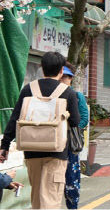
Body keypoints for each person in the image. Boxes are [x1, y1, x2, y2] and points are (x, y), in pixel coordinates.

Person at [0, 52, 80, 209]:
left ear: (42, 69)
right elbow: (76, 121)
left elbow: (14, 118)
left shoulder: (28, 89)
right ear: (61, 71)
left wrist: (5, 145)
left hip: (32, 152)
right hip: (56, 154)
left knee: (37, 198)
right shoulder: (68, 92)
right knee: (50, 199)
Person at [61, 63, 88, 209]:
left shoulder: (77, 96)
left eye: (68, 77)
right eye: (63, 76)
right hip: (53, 144)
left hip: (71, 143)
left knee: (72, 179)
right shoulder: (51, 94)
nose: (65, 79)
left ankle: (72, 205)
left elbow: (84, 117)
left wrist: (73, 127)